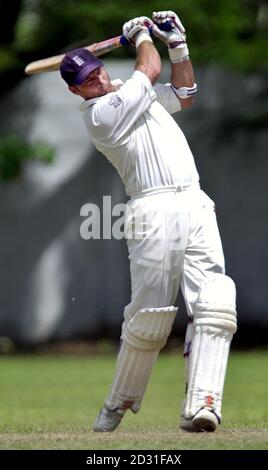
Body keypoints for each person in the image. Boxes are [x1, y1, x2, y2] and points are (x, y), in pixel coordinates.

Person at [60, 10, 237, 433]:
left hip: (194, 200)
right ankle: (117, 404)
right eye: (87, 81)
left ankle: (203, 405)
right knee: (150, 316)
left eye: (98, 72)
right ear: (75, 91)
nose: (98, 81)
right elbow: (149, 65)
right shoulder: (101, 115)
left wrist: (178, 46)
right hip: (151, 209)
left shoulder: (131, 92)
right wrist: (141, 34)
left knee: (215, 302)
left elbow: (186, 91)